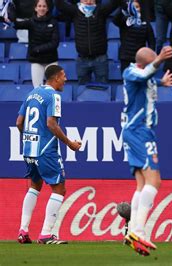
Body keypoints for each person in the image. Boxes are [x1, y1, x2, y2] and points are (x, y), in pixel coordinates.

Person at [16, 65, 82, 245]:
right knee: (59, 188)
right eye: (63, 76)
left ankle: (23, 230)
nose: (66, 79)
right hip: (46, 150)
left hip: (29, 149)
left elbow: (19, 122)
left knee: (34, 187)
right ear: (55, 78)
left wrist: (29, 139)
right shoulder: (54, 96)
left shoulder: (31, 94)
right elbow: (51, 124)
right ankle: (46, 234)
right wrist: (70, 144)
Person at [121, 46, 172, 256]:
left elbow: (149, 79)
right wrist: (159, 59)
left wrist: (162, 82)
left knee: (141, 184)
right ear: (144, 63)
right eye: (154, 62)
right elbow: (144, 74)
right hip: (138, 130)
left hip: (138, 131)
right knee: (155, 181)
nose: (157, 66)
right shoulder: (131, 71)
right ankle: (139, 230)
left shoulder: (145, 76)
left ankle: (133, 230)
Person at [56, 0, 120, 85]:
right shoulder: (75, 11)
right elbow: (59, 4)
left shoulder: (100, 10)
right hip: (82, 59)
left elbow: (115, 3)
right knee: (82, 91)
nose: (88, 2)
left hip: (100, 59)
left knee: (103, 90)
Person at [12, 0, 59, 88]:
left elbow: (54, 43)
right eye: (39, 6)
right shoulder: (31, 22)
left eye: (44, 6)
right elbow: (16, 25)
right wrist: (9, 13)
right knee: (37, 89)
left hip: (51, 60)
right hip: (36, 60)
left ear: (48, 8)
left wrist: (37, 49)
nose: (42, 8)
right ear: (35, 8)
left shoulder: (53, 22)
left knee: (52, 89)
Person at [113, 0, 156, 73]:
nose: (135, 9)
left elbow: (151, 42)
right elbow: (115, 20)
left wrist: (149, 58)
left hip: (140, 59)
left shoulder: (146, 24)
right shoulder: (124, 21)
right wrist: (123, 8)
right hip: (126, 58)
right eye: (133, 7)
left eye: (137, 7)